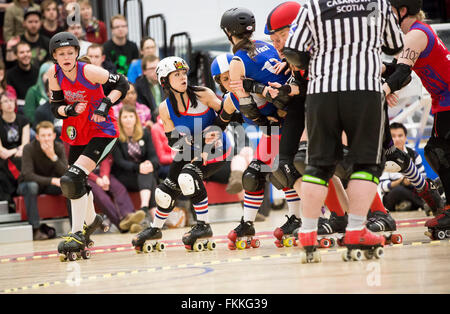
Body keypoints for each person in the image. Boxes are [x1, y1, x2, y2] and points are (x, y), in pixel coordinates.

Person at [284, 0, 404, 262]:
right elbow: (395, 45)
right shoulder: (377, 4)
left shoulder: (313, 6)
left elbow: (292, 51)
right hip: (363, 90)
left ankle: (307, 232)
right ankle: (356, 230)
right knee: (366, 163)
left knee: (317, 165)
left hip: (321, 92)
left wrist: (319, 58)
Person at [219, 7, 303, 250]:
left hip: (279, 121)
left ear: (228, 33)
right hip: (289, 110)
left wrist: (266, 122)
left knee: (281, 171)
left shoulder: (236, 62)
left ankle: (303, 218)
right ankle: (248, 223)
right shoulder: (267, 44)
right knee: (256, 174)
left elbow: (248, 111)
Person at [131, 56, 231, 253]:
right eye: (176, 75)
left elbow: (228, 115)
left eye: (184, 73)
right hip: (191, 148)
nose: (183, 77)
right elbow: (173, 141)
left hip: (217, 147)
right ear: (165, 81)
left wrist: (213, 131)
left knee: (188, 178)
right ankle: (155, 229)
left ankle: (203, 225)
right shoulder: (165, 108)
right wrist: (195, 144)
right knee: (165, 192)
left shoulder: (204, 94)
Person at [48, 32, 129, 261]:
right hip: (79, 131)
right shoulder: (54, 76)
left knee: (72, 179)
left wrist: (105, 103)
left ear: (76, 54)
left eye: (70, 53)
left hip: (103, 131)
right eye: (61, 53)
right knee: (73, 182)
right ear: (55, 56)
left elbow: (123, 83)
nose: (66, 57)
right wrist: (70, 110)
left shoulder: (89, 71)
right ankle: (92, 221)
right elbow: (56, 107)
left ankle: (77, 233)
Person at [381, 0, 450, 240]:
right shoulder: (415, 33)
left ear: (401, 11)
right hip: (444, 99)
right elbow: (397, 69)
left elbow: (401, 74)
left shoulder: (417, 33)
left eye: (391, 12)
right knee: (437, 152)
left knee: (439, 153)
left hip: (448, 98)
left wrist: (383, 92)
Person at [18, 121, 68, 240]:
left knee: (68, 185)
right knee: (32, 186)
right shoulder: (29, 148)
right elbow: (27, 175)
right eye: (43, 136)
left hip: (48, 185)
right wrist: (51, 180)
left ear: (54, 136)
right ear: (37, 137)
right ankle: (35, 230)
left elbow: (65, 174)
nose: (46, 139)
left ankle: (76, 229)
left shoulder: (58, 147)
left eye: (49, 135)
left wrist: (53, 157)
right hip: (28, 184)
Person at [111, 105, 159, 217]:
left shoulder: (145, 133)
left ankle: (144, 208)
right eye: (125, 117)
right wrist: (138, 167)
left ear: (136, 118)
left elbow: (153, 156)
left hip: (143, 174)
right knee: (148, 176)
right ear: (120, 120)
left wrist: (151, 164)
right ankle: (154, 217)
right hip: (125, 175)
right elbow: (119, 162)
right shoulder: (116, 137)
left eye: (131, 116)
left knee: (147, 173)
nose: (128, 119)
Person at [87, 154, 146, 233]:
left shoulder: (97, 141)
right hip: (86, 176)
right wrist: (96, 179)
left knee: (120, 189)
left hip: (103, 173)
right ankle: (121, 224)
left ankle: (129, 216)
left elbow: (105, 157)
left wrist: (105, 176)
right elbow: (74, 165)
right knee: (102, 198)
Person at [380, 122, 427, 211]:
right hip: (392, 195)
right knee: (399, 190)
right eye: (393, 136)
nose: (397, 139)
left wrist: (412, 181)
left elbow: (423, 179)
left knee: (433, 185)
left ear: (405, 137)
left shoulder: (414, 154)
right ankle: (423, 205)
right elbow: (382, 186)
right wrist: (401, 181)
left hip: (412, 191)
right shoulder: (383, 157)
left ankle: (406, 205)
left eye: (400, 135)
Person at [0, 92, 29, 207]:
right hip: (3, 159)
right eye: (5, 101)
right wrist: (17, 150)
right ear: (0, 105)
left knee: (22, 160)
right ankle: (10, 199)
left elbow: (25, 145)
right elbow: (1, 151)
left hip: (19, 155)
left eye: (11, 101)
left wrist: (13, 151)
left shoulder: (23, 120)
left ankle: (20, 196)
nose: (9, 104)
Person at [6, 41, 39, 108]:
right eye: (22, 52)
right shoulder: (9, 75)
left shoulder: (38, 72)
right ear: (15, 55)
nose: (26, 54)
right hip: (18, 108)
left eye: (28, 51)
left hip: (37, 106)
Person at [135, 54, 162, 121]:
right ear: (144, 71)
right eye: (152, 69)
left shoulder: (167, 83)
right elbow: (143, 112)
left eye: (158, 67)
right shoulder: (138, 87)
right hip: (150, 121)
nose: (156, 71)